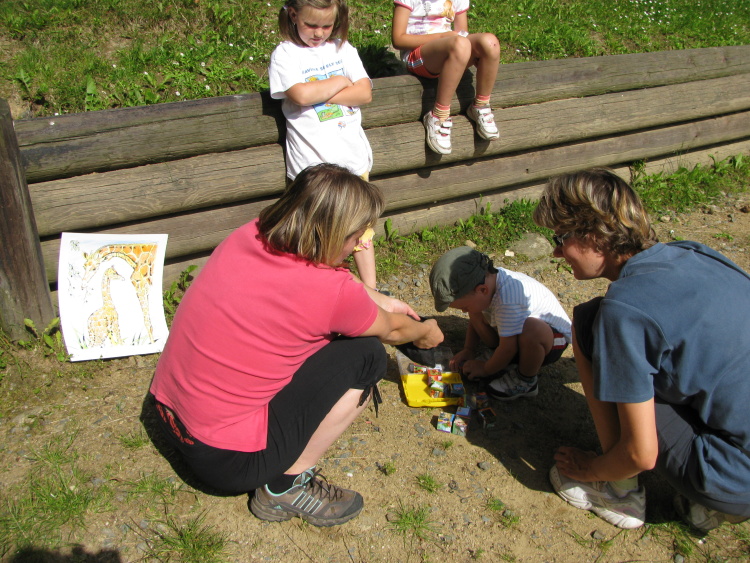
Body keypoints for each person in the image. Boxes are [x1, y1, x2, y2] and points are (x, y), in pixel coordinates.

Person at [149, 164, 443, 527]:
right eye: (357, 236)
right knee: (366, 355)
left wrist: (380, 300)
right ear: (332, 233)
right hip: (226, 462)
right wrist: (425, 331)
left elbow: (330, 285)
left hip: (168, 413)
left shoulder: (250, 234)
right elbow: (394, 331)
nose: (360, 245)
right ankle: (284, 487)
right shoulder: (330, 294)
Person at [533, 168, 750, 532]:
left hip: (734, 474)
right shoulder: (692, 252)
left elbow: (641, 453)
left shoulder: (626, 308)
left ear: (594, 235)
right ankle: (716, 504)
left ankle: (619, 492)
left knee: (587, 325)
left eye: (561, 238)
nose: (556, 251)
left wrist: (591, 468)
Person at [268, 0, 378, 288]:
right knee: (316, 231)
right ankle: (320, 289)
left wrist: (320, 92)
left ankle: (371, 289)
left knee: (360, 229)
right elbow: (300, 95)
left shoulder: (343, 49)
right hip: (312, 166)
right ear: (293, 15)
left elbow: (364, 93)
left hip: (352, 159)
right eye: (311, 25)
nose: (319, 32)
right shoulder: (285, 54)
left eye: (327, 26)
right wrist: (341, 81)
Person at [429, 246, 571, 400]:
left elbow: (509, 348)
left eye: (464, 307)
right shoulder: (487, 283)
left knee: (532, 330)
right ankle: (501, 359)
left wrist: (485, 369)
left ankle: (525, 380)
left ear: (482, 290)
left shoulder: (508, 299)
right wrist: (469, 349)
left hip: (552, 340)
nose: (463, 311)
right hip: (515, 334)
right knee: (475, 311)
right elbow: (476, 320)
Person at [392, 0, 501, 155]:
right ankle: (438, 116)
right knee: (460, 44)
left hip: (452, 50)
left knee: (490, 43)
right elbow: (398, 39)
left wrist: (477, 53)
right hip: (418, 55)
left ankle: (481, 105)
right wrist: (442, 36)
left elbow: (462, 34)